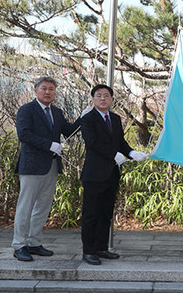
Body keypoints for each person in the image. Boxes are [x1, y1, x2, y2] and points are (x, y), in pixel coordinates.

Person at [13, 77, 83, 261]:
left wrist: (84, 117)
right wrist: (50, 145)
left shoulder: (57, 112)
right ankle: (19, 245)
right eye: (44, 88)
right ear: (35, 91)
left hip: (51, 166)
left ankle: (34, 242)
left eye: (51, 89)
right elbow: (24, 134)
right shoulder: (27, 110)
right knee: (25, 207)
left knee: (43, 207)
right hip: (32, 166)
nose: (47, 92)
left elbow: (69, 131)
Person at [80, 84, 147, 265]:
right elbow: (92, 142)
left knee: (105, 213)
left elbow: (120, 142)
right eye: (99, 95)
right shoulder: (87, 119)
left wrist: (131, 153)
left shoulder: (116, 118)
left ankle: (101, 248)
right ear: (93, 99)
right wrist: (113, 154)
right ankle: (88, 251)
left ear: (111, 99)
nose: (103, 98)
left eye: (106, 95)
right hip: (94, 174)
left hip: (112, 174)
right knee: (91, 214)